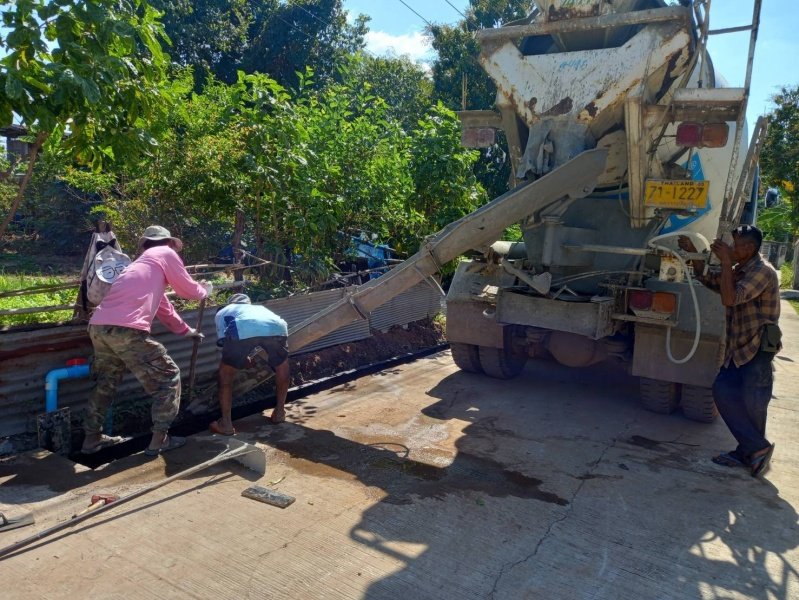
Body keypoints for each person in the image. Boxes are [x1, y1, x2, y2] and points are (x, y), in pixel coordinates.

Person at [81, 225, 212, 456]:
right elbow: (188, 291)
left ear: (145, 244)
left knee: (106, 382)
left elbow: (163, 308)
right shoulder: (165, 253)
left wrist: (186, 331)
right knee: (168, 378)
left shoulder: (141, 267)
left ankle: (92, 439)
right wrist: (204, 291)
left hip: (99, 326)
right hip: (126, 330)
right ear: (168, 243)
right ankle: (160, 439)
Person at [679, 224, 780, 477]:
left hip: (757, 348)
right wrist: (694, 254)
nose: (729, 248)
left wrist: (725, 262)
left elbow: (730, 298)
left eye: (734, 245)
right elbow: (710, 281)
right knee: (723, 390)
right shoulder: (740, 269)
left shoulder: (763, 272)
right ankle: (754, 449)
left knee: (753, 403)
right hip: (739, 348)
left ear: (750, 248)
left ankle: (750, 452)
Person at [210, 293, 289, 435]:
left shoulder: (223, 312)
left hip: (242, 327)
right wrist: (245, 355)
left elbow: (226, 343)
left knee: (225, 373)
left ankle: (226, 424)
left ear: (229, 303)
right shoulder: (260, 309)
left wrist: (242, 358)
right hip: (278, 327)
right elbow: (258, 330)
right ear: (248, 303)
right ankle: (280, 413)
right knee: (282, 365)